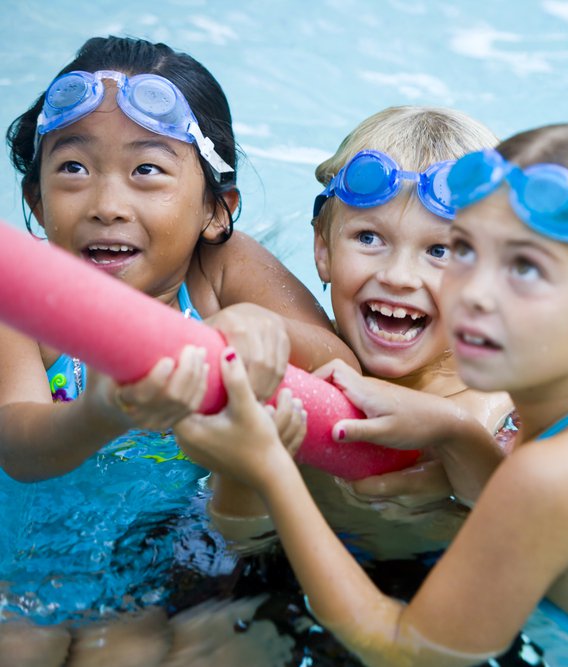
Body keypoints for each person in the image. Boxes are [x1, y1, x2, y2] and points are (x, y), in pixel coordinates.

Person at [175, 123, 568, 666]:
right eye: (465, 251)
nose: (476, 293)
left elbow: (399, 646)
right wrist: (453, 430)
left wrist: (267, 467)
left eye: (526, 269)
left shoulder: (556, 472)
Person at [0, 35, 354, 666]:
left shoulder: (219, 270)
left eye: (147, 171)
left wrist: (251, 323)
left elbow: (339, 368)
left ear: (216, 211)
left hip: (177, 555)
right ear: (35, 201)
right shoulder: (24, 311)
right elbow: (18, 444)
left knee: (126, 654)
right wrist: (100, 414)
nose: (108, 205)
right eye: (73, 169)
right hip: (35, 560)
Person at [207, 106, 514, 564]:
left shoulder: (502, 407)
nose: (398, 276)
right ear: (323, 251)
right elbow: (236, 544)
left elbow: (524, 537)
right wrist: (240, 470)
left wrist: (458, 440)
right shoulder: (296, 375)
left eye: (440, 250)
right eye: (369, 238)